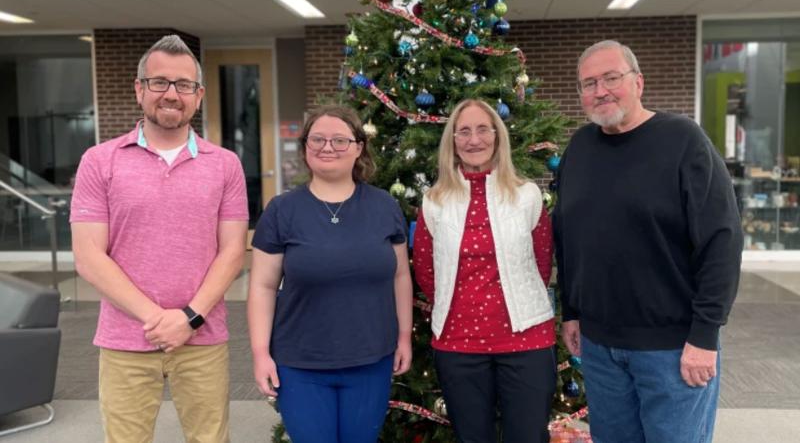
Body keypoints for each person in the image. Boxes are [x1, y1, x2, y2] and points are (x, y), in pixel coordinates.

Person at [553, 40, 743, 443]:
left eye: (611, 78)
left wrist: (705, 334)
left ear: (638, 82)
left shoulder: (683, 141)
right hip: (600, 346)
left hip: (673, 348)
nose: (600, 90)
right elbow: (569, 235)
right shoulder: (579, 149)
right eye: (588, 83)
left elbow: (722, 240)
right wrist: (571, 309)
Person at [71, 35, 248, 443]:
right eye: (160, 82)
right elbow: (89, 256)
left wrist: (187, 318)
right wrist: (159, 320)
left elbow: (233, 251)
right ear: (139, 89)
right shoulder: (100, 161)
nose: (172, 94)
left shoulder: (225, 165)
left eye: (184, 85)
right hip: (124, 341)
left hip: (202, 338)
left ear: (199, 96)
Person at [247, 105, 413, 443]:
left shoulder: (384, 206)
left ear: (358, 147)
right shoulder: (282, 210)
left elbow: (401, 277)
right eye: (317, 139)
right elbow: (263, 286)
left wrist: (405, 337)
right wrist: (260, 353)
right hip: (300, 364)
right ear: (306, 147)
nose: (327, 147)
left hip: (371, 359)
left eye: (340, 140)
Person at [413, 99, 556, 443]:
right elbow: (426, 271)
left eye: (482, 129)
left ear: (497, 136)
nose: (473, 139)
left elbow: (540, 262)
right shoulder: (434, 201)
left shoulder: (527, 196)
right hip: (459, 345)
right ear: (453, 141)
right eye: (464, 131)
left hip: (526, 340)